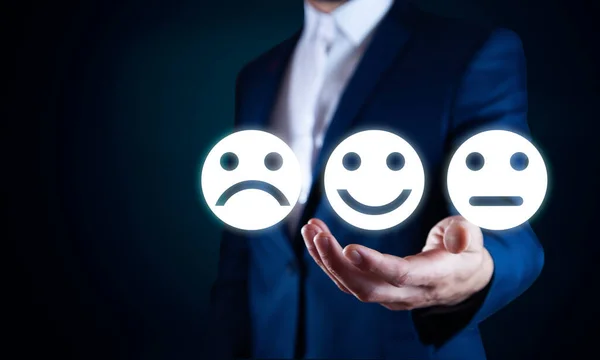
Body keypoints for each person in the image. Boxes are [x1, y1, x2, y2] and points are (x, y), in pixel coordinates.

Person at [206, 0, 544, 358]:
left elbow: (507, 224)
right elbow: (242, 256)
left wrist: (476, 270)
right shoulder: (256, 77)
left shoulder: (472, 51)